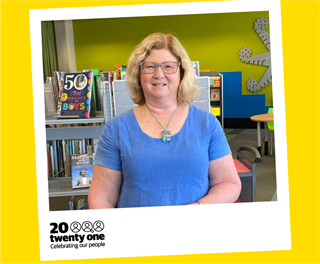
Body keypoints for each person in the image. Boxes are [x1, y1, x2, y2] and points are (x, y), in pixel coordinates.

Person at [88, 33, 241, 209]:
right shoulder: (116, 129)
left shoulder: (207, 123)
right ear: (138, 73)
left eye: (168, 66)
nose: (159, 74)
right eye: (150, 66)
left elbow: (229, 183)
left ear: (182, 72)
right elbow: (102, 198)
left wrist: (198, 208)